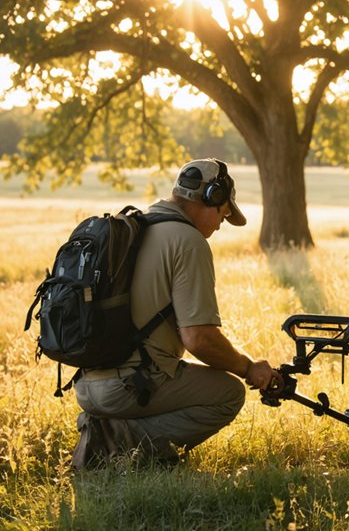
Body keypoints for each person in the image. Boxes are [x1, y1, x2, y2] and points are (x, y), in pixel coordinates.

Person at [71, 158, 281, 469]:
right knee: (228, 393)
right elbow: (199, 339)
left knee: (174, 368)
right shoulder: (188, 241)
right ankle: (117, 440)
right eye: (223, 214)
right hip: (126, 388)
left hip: (86, 384)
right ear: (212, 198)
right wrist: (250, 369)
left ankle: (106, 427)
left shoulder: (137, 225)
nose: (221, 224)